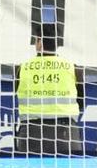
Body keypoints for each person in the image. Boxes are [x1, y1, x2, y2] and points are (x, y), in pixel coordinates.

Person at [13, 25, 81, 155]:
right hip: (65, 133)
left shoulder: (22, 68)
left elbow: (17, 95)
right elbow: (81, 101)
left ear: (39, 43)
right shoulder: (73, 68)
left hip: (31, 133)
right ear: (56, 44)